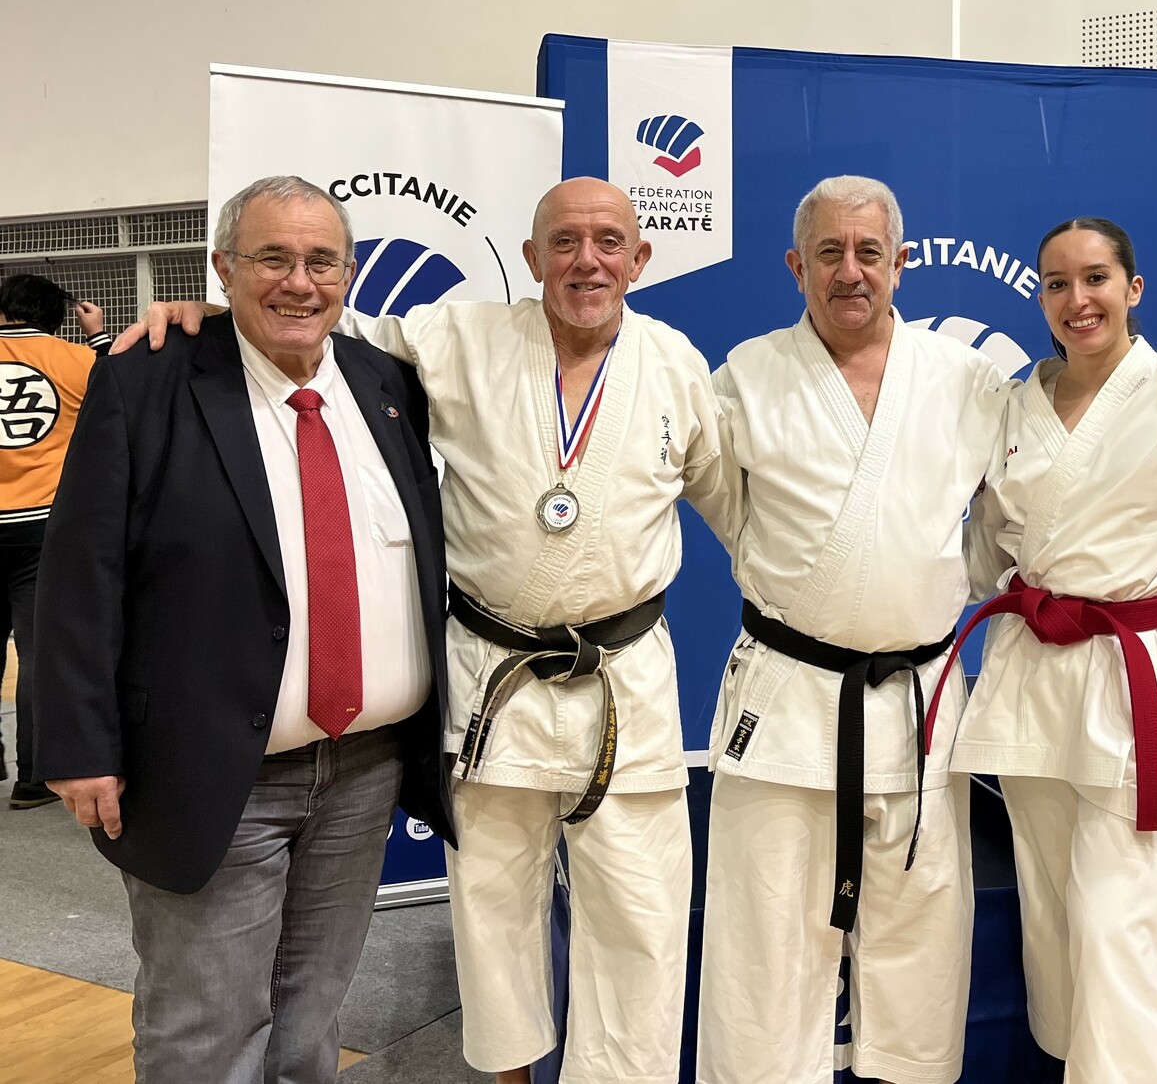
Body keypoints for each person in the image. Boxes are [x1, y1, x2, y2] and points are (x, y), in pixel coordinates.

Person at [133, 176, 728, 1084]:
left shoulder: (680, 365)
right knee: (494, 912)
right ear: (530, 259)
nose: (587, 260)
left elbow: (733, 507)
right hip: (494, 675)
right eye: (563, 241)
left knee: (642, 920)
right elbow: (311, 327)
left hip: (622, 682)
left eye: (610, 241)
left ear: (640, 259)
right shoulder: (457, 336)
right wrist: (212, 318)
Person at [32, 176, 455, 1084]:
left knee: (312, 1020)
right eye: (270, 258)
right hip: (203, 765)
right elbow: (80, 570)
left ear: (348, 274)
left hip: (364, 768)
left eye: (320, 261)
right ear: (223, 269)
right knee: (207, 1028)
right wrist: (75, 743)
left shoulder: (386, 384)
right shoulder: (148, 378)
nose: (298, 282)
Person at [696, 175, 1009, 1084]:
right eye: (828, 253)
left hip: (917, 706)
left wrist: (922, 591)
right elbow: (726, 509)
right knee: (764, 950)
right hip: (790, 699)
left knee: (922, 944)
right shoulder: (747, 377)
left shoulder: (968, 381)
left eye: (869, 252)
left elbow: (1001, 529)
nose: (850, 271)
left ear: (901, 263)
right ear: (796, 265)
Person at [947, 217, 1157, 1080]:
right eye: (1058, 284)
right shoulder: (1011, 404)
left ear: (1133, 288)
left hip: (1143, 676)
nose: (1079, 300)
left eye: (1098, 278)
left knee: (1126, 928)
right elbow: (987, 547)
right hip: (1035, 678)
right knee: (1059, 925)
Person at [0, 273, 108, 807]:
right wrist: (99, 337)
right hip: (43, 525)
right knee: (39, 650)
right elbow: (123, 394)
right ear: (57, 315)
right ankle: (33, 776)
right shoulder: (76, 360)